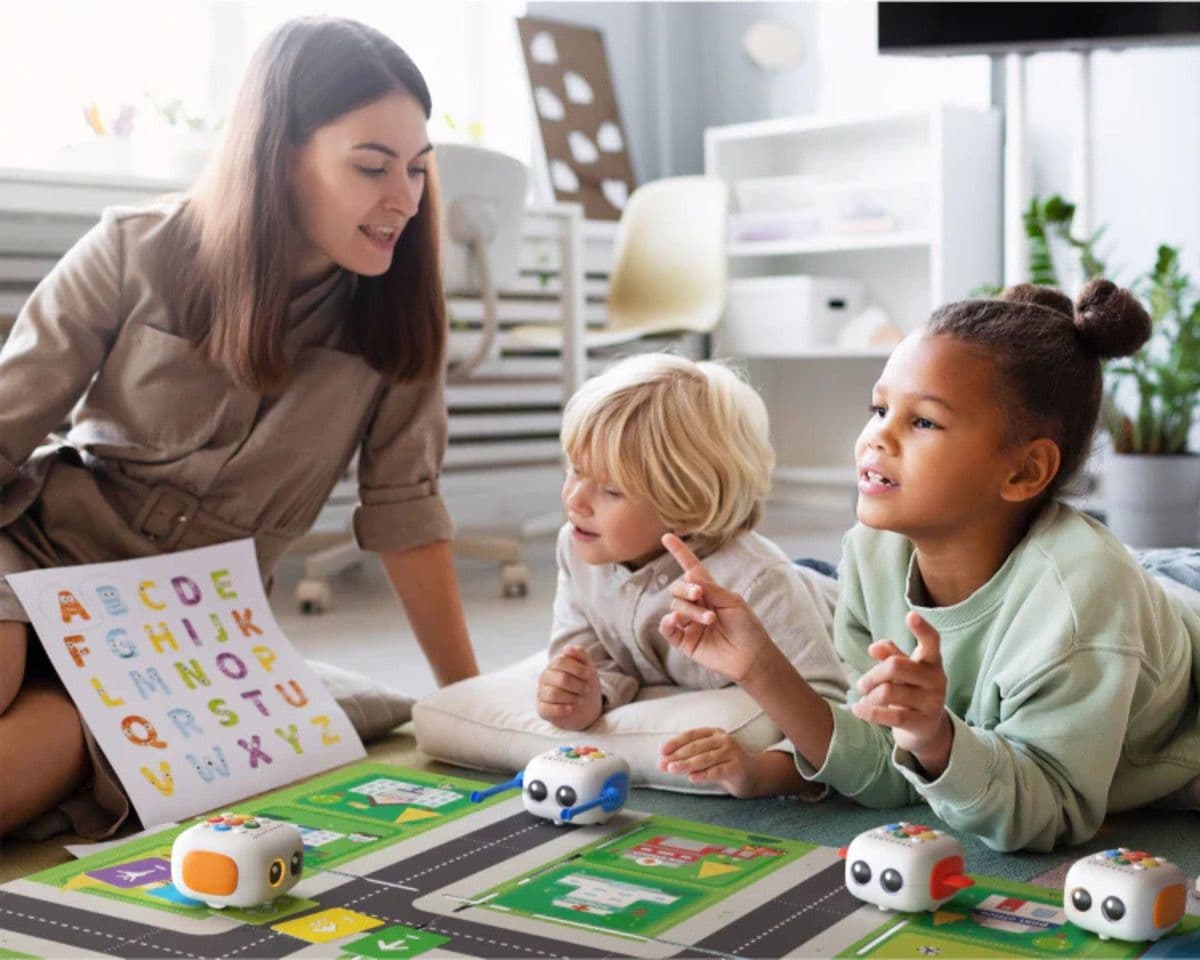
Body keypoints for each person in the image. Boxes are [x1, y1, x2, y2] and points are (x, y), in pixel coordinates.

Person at [0, 17, 478, 839]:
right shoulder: (134, 249)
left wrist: (477, 710)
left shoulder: (398, 322)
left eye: (416, 169)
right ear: (280, 153)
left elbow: (407, 515)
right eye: (371, 166)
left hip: (177, 640)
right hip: (37, 556)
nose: (402, 197)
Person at [660, 280, 1200, 851]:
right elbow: (884, 756)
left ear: (1024, 472)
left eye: (923, 422)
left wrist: (937, 737)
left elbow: (1050, 809)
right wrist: (759, 669)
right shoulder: (870, 550)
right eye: (880, 408)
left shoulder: (1079, 606)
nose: (877, 437)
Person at [534, 353, 847, 798]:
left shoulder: (756, 583)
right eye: (575, 470)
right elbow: (586, 650)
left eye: (610, 490)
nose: (574, 499)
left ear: (684, 506)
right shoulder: (578, 545)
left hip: (830, 598)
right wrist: (586, 694)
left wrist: (759, 771)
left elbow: (830, 717)